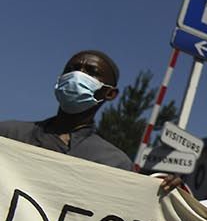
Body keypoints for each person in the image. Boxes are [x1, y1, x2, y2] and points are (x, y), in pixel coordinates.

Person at [0, 50, 132, 170]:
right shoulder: (10, 134)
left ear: (110, 93)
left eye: (92, 72)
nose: (78, 75)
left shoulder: (112, 162)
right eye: (71, 69)